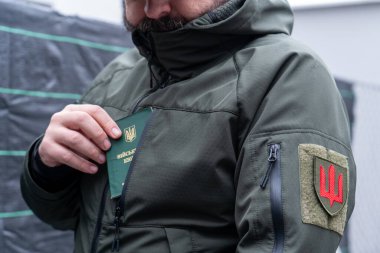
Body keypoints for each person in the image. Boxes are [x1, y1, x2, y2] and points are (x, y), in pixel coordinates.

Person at [20, 0, 356, 252]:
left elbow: (285, 245)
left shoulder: (285, 74)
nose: (154, 10)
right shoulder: (117, 76)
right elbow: (70, 218)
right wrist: (46, 168)